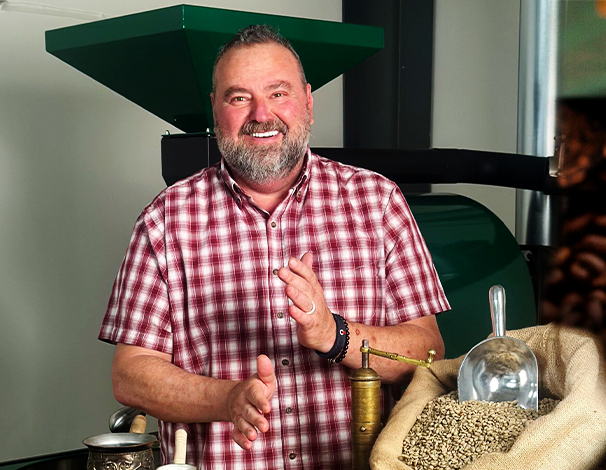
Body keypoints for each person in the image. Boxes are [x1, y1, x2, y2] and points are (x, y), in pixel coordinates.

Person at [99, 24, 449, 469]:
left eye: (278, 93)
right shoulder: (166, 219)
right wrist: (226, 398)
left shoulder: (377, 201)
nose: (261, 114)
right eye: (239, 97)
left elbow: (429, 353)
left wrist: (334, 335)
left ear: (308, 101)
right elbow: (131, 377)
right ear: (215, 108)